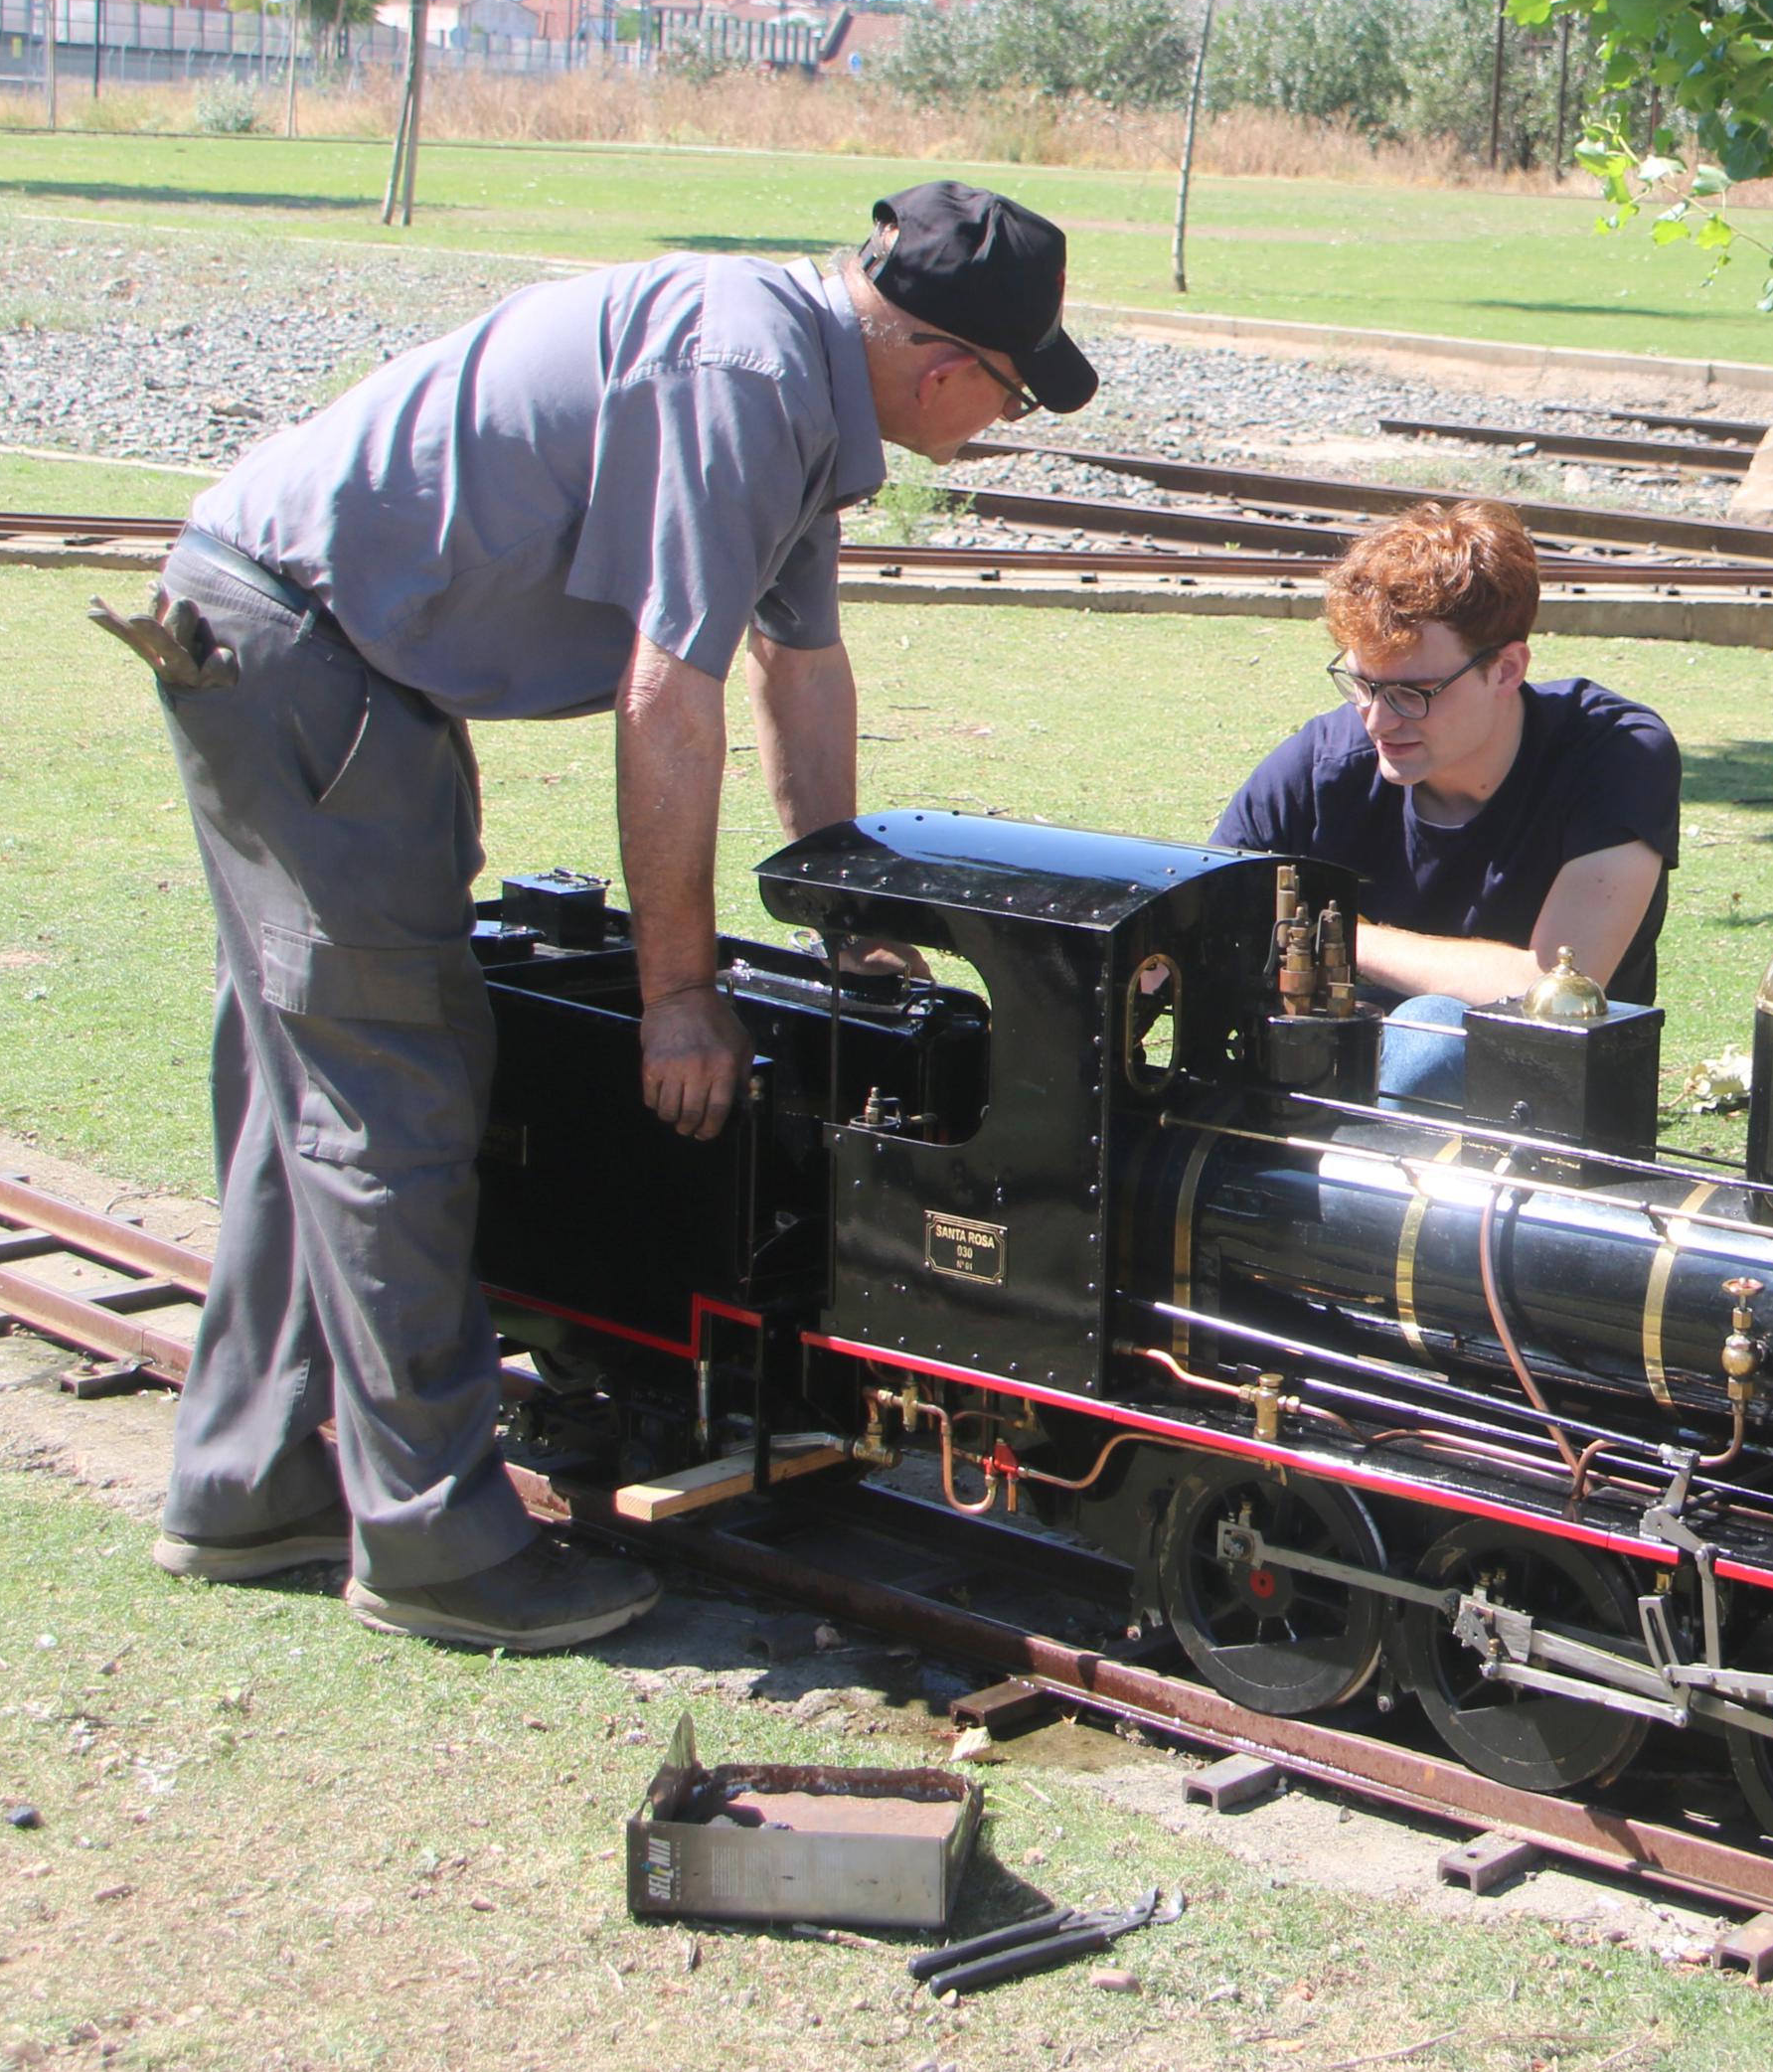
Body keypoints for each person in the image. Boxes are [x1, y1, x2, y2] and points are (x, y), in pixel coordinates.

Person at [100, 183, 1095, 1651]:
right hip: (306, 650)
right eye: (1009, 395)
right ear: (946, 362)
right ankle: (435, 1540)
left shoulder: (798, 390)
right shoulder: (749, 378)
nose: (997, 426)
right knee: (397, 1090)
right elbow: (666, 692)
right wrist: (678, 995)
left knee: (309, 1085)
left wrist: (852, 919)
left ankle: (246, 1481)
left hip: (330, 653)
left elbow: (797, 667)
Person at [1211, 501, 1682, 1104]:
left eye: (1413, 691)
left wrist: (1338, 938)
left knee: (1432, 1030)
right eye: (1362, 683)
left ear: (1507, 669)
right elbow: (1205, 912)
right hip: (1331, 1090)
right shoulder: (1323, 762)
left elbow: (1556, 987)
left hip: (1550, 1112)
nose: (1378, 720)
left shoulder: (1615, 753)